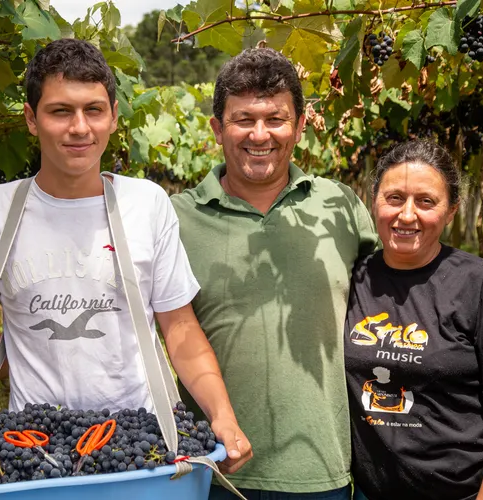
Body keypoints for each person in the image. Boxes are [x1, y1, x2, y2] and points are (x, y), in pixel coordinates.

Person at [0, 37, 252, 486]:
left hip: (135, 446)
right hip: (32, 451)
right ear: (31, 119)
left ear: (114, 116)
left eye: (93, 110)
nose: (80, 127)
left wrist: (223, 416)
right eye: (60, 111)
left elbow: (180, 328)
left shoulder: (147, 204)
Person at [171, 47, 378, 499]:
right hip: (210, 470)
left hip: (320, 469)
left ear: (300, 127)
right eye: (244, 119)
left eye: (276, 119)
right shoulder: (175, 218)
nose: (260, 134)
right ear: (217, 129)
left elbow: (392, 305)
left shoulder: (339, 206)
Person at [343, 140, 483, 500]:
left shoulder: (482, 284)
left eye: (426, 201)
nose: (406, 215)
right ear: (374, 202)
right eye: (394, 198)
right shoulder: (351, 279)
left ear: (451, 211)